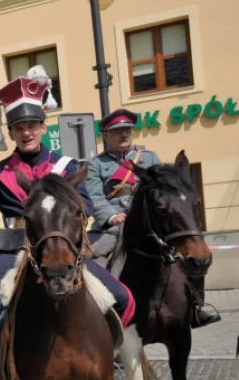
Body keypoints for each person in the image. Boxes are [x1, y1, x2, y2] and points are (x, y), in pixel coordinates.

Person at [0, 67, 135, 380]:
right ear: (11, 133)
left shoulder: (67, 167)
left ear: (43, 127)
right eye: (18, 128)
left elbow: (84, 204)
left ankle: (108, 354)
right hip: (13, 249)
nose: (26, 132)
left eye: (32, 126)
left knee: (125, 299)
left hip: (62, 249)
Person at [87, 109, 220, 327]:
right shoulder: (97, 165)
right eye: (118, 131)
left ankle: (197, 306)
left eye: (127, 131)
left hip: (149, 222)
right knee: (96, 259)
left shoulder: (148, 158)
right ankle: (101, 310)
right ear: (106, 136)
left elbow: (164, 190)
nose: (124, 135)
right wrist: (111, 216)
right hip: (116, 224)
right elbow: (94, 197)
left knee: (190, 253)